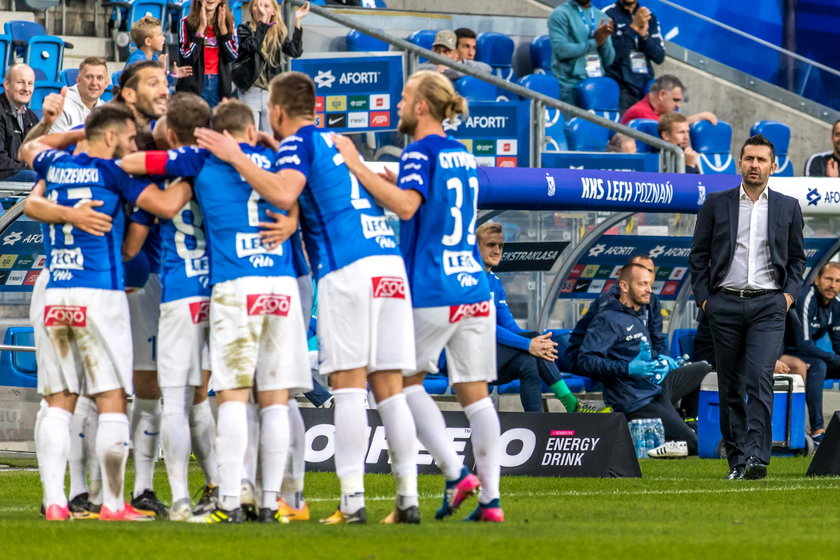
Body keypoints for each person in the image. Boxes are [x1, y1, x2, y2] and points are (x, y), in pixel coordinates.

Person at [194, 72, 419, 525]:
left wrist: (238, 153)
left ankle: (353, 501)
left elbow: (282, 191)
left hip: (347, 267)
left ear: (276, 110)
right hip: (388, 263)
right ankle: (407, 499)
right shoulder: (336, 143)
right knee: (391, 388)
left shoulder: (299, 144)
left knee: (349, 385)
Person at [126, 99, 312, 524]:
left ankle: (195, 498)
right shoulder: (271, 159)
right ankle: (272, 499)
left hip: (198, 292)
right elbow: (298, 192)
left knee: (186, 400)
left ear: (173, 134)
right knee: (273, 399)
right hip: (262, 285)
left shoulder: (192, 163)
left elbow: (134, 165)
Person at [332, 69, 503, 522]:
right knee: (477, 397)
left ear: (423, 106)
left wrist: (354, 164)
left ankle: (454, 473)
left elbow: (406, 205)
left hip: (432, 285)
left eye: (406, 96)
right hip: (473, 284)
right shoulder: (462, 155)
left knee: (399, 384)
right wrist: (391, 174)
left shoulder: (418, 152)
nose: (400, 104)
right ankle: (491, 501)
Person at [20, 101, 193, 521]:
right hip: (100, 293)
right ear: (112, 138)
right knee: (113, 399)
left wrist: (78, 134)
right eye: (129, 138)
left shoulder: (55, 165)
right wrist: (193, 173)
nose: (133, 145)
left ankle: (56, 503)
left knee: (57, 402)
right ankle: (114, 504)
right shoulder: (115, 174)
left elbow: (32, 147)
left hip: (57, 293)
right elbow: (165, 208)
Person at [688, 133, 806, 480]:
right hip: (724, 304)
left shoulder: (787, 206)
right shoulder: (716, 203)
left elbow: (798, 259)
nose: (754, 165)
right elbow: (698, 257)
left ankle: (757, 458)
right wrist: (705, 300)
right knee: (731, 385)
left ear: (774, 165)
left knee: (759, 378)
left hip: (769, 306)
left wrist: (787, 297)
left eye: (761, 160)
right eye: (749, 158)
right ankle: (737, 460)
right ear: (740, 162)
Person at [578, 263, 713, 457]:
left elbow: (642, 351)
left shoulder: (638, 313)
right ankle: (664, 440)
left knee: (703, 369)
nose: (649, 289)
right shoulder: (608, 319)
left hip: (654, 387)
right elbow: (585, 360)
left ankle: (689, 421)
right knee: (698, 446)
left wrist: (661, 361)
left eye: (650, 284)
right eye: (642, 284)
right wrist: (628, 368)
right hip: (635, 400)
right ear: (624, 286)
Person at [476, 221, 598, 414]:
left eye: (500, 246)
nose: (497, 250)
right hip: (466, 357)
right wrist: (529, 344)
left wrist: (536, 342)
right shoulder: (468, 279)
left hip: (491, 358)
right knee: (530, 346)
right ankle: (572, 404)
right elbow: (485, 326)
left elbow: (510, 328)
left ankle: (535, 424)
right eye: (491, 245)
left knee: (529, 362)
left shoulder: (495, 283)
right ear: (476, 247)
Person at [566, 254, 665, 374]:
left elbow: (657, 338)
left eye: (650, 271)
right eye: (639, 269)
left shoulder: (651, 300)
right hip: (599, 363)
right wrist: (628, 368)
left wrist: (663, 361)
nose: (645, 273)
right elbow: (594, 354)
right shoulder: (609, 305)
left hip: (632, 363)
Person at [784, 262, 840, 441]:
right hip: (786, 353)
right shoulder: (806, 298)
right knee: (818, 366)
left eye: (838, 281)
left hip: (807, 355)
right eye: (829, 279)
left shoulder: (836, 307)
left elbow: (838, 342)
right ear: (817, 279)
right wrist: (834, 358)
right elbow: (804, 344)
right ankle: (817, 431)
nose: (833, 285)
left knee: (820, 364)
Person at [234, 0, 308, 132]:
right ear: (251, 10)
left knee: (271, 137)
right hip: (250, 90)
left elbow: (295, 52)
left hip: (270, 93)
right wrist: (263, 23)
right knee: (251, 135)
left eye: (265, 6)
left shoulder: (278, 31)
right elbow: (253, 46)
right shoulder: (244, 29)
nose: (260, 9)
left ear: (274, 11)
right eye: (256, 5)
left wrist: (297, 21)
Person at [548, 0, 615, 106]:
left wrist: (603, 41)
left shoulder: (602, 16)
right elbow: (561, 50)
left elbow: (609, 59)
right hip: (569, 87)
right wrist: (595, 42)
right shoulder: (561, 13)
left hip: (595, 86)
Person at [603, 0, 665, 112]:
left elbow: (659, 57)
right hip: (619, 88)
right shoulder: (607, 14)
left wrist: (644, 36)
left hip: (643, 88)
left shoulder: (649, 17)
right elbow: (611, 56)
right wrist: (632, 29)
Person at [176, 0, 240, 107]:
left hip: (219, 83)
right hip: (194, 84)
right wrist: (201, 28)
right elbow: (187, 56)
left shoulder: (228, 22)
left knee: (215, 122)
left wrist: (223, 29)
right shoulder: (185, 22)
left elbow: (233, 55)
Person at [620, 74, 717, 125]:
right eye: (675, 100)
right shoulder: (639, 112)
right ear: (662, 94)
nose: (678, 105)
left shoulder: (663, 113)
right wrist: (697, 117)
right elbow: (668, 131)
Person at [0, 64, 38, 182]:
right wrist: (28, 168)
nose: (26, 89)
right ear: (6, 84)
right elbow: (1, 160)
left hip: (20, 176)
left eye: (30, 83)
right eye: (20, 82)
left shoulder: (32, 117)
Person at [50, 58, 109, 133]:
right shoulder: (62, 106)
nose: (94, 83)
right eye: (89, 77)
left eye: (99, 78)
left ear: (106, 83)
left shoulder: (106, 110)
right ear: (78, 80)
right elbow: (54, 142)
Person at [124, 15, 192, 79]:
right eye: (159, 35)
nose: (163, 38)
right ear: (148, 41)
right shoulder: (137, 60)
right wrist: (161, 70)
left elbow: (162, 85)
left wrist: (173, 74)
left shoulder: (154, 58)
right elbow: (147, 86)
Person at [417, 30, 492, 82]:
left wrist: (451, 68)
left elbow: (488, 68)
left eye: (446, 51)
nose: (440, 55)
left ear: (456, 54)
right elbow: (417, 68)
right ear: (432, 50)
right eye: (437, 50)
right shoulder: (425, 67)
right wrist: (440, 69)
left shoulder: (464, 63)